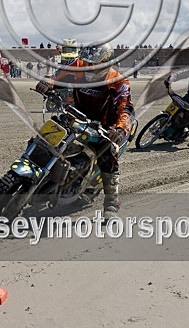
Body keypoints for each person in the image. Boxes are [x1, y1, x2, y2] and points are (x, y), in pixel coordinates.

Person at [35, 43, 134, 220]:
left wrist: (120, 128)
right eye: (86, 62)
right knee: (46, 138)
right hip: (76, 116)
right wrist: (48, 82)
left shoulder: (118, 81)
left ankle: (111, 203)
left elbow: (125, 107)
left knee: (107, 155)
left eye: (93, 64)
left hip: (104, 126)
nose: (88, 67)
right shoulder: (76, 65)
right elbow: (57, 77)